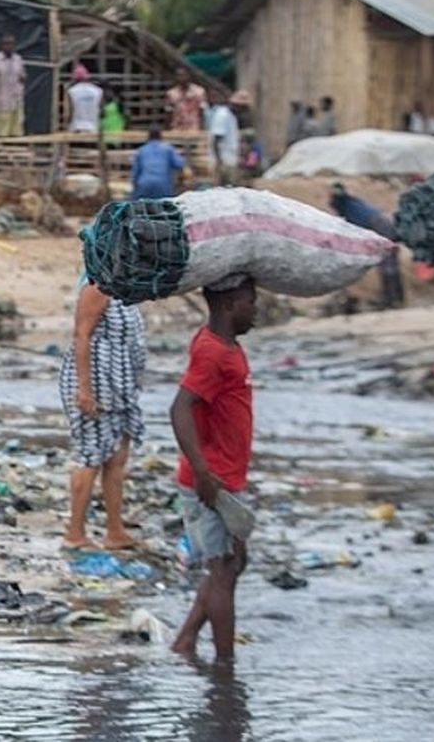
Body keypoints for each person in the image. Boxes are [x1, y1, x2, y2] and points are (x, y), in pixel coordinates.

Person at [169, 275, 259, 660]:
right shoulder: (213, 352)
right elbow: (180, 408)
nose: (255, 310)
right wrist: (203, 471)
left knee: (235, 561)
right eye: (250, 303)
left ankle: (186, 639)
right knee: (221, 569)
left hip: (226, 477)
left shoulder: (226, 346)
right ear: (228, 305)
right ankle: (225, 669)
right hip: (211, 481)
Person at [60, 278, 147, 551]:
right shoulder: (97, 286)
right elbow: (81, 334)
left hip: (120, 386)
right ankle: (75, 533)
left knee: (117, 457)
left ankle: (114, 530)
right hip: (97, 385)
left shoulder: (126, 288)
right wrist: (85, 389)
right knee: (90, 457)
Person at [329, 183, 404, 308]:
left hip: (380, 228)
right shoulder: (353, 202)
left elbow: (357, 227)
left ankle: (392, 301)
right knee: (391, 266)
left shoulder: (346, 206)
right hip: (385, 225)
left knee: (388, 267)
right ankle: (397, 299)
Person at [131, 125, 185, 199]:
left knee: (142, 208)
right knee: (165, 208)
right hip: (163, 185)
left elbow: (135, 173)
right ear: (161, 136)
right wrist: (180, 181)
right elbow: (179, 164)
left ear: (148, 136)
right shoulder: (168, 149)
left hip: (144, 184)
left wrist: (135, 188)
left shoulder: (142, 150)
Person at [208, 95, 242, 185]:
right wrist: (219, 161)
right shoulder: (222, 115)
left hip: (230, 159)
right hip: (224, 159)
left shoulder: (231, 116)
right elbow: (216, 140)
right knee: (222, 188)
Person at [66, 64, 103, 134]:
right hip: (93, 127)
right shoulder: (98, 91)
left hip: (76, 127)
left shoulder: (72, 91)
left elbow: (70, 111)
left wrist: (67, 124)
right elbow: (100, 109)